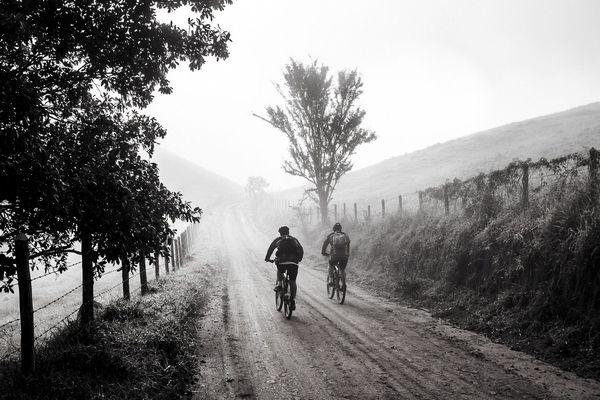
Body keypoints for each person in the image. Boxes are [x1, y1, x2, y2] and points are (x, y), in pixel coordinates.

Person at [264, 226, 303, 310]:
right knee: (293, 281)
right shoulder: (294, 239)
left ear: (280, 233)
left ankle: (279, 284)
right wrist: (299, 259)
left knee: (280, 271)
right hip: (294, 262)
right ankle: (292, 299)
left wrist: (267, 258)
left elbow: (270, 249)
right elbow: (301, 249)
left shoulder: (278, 240)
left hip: (282, 261)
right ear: (288, 232)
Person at [321, 222, 350, 290]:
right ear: (341, 229)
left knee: (330, 264)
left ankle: (331, 280)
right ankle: (343, 283)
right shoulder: (345, 235)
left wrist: (323, 252)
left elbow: (325, 244)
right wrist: (347, 253)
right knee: (342, 269)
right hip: (344, 256)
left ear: (333, 229)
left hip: (334, 255)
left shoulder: (331, 236)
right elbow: (348, 244)